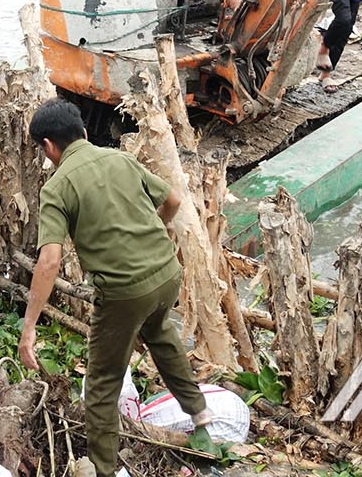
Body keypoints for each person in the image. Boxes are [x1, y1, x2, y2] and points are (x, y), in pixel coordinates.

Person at [18, 99, 213, 477]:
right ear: (84, 133)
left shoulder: (57, 187)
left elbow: (49, 261)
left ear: (47, 146)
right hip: (166, 273)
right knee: (162, 339)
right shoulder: (119, 159)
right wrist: (156, 230)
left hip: (124, 291)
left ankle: (105, 471)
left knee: (103, 384)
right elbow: (172, 200)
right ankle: (201, 419)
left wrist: (29, 328)